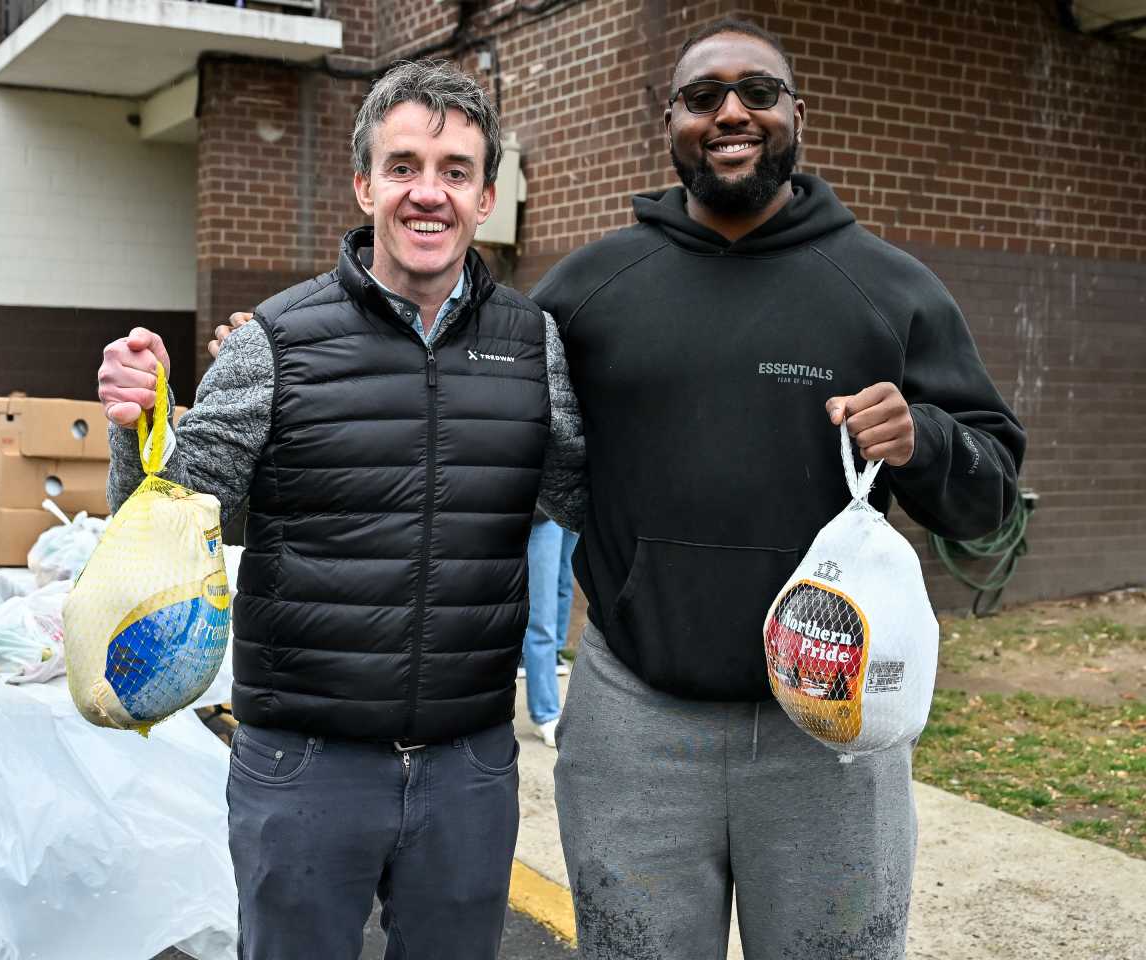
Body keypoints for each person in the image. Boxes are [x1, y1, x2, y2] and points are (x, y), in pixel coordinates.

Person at [530, 19, 1026, 960]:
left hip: (829, 737)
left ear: (798, 113)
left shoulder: (889, 290)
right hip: (636, 723)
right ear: (667, 119)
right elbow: (474, 415)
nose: (731, 112)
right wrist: (293, 367)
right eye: (702, 95)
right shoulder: (588, 291)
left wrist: (925, 440)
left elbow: (993, 495)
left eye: (758, 92)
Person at [97, 60, 583, 960]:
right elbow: (161, 526)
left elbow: (585, 497)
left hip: (468, 769)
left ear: (485, 198)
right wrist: (136, 422)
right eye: (402, 167)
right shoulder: (275, 341)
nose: (426, 194)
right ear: (364, 185)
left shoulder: (532, 343)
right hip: (304, 767)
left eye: (454, 171)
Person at [520, 509, 580, 747]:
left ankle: (546, 708)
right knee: (541, 615)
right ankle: (545, 711)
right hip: (536, 509)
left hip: (561, 505)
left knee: (562, 587)